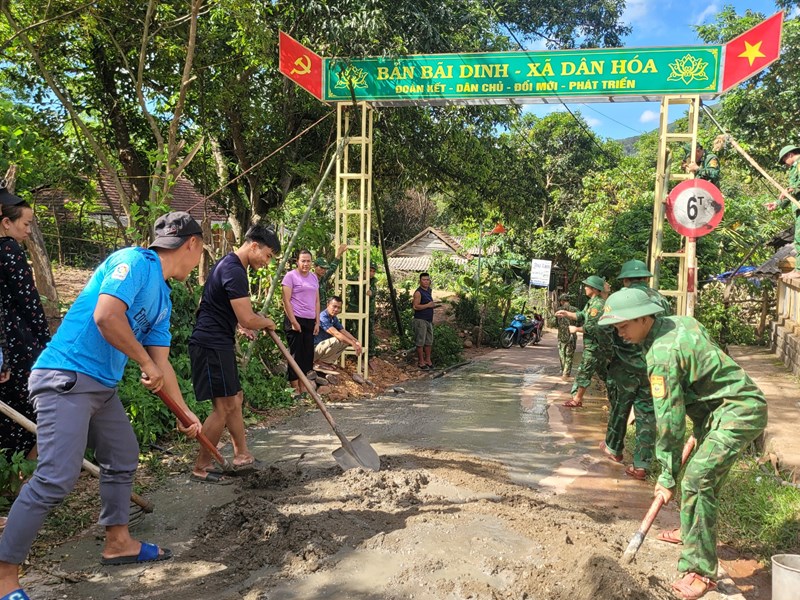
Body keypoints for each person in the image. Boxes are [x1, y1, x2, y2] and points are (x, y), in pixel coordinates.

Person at [0, 212, 204, 599]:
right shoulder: (134, 262)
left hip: (101, 387)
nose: (199, 261)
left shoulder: (162, 296)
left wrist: (185, 411)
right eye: (201, 251)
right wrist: (143, 362)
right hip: (67, 376)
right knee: (56, 477)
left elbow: (161, 364)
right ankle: (4, 575)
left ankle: (118, 541)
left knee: (124, 454)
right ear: (191, 244)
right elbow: (106, 316)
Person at [599, 288, 767, 600]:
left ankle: (700, 570)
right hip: (716, 410)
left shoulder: (661, 357)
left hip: (739, 410)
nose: (620, 334)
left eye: (624, 326)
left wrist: (666, 475)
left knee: (697, 478)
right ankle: (691, 532)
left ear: (645, 317)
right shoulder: (681, 322)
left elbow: (670, 423)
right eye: (616, 328)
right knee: (700, 480)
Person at [189, 223, 281, 484]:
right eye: (268, 255)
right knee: (224, 406)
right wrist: (264, 322)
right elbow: (250, 317)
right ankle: (201, 467)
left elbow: (220, 305)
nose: (267, 261)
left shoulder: (230, 265)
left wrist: (240, 325)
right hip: (211, 344)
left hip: (219, 340)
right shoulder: (234, 270)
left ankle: (242, 455)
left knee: (235, 398)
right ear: (254, 246)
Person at [602, 260, 671, 480]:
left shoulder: (620, 300)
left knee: (619, 408)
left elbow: (605, 331)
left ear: (625, 280)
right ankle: (641, 463)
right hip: (653, 363)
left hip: (624, 365)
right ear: (645, 278)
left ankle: (614, 449)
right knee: (647, 412)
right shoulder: (660, 300)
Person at [0, 188, 51, 464]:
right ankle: (27, 473)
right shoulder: (9, 250)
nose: (29, 231)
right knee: (37, 405)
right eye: (26, 224)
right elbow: (29, 302)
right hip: (19, 340)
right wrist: (47, 343)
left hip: (4, 345)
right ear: (6, 223)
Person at [554, 275, 612, 408]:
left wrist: (576, 329)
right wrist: (567, 314)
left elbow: (593, 327)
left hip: (595, 345)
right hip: (595, 345)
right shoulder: (591, 302)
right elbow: (581, 315)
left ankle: (577, 399)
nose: (585, 288)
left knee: (584, 371)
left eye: (587, 286)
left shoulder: (598, 305)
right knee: (605, 374)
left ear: (594, 289)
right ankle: (616, 396)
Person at [281, 249, 319, 394]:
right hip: (295, 319)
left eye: (308, 261)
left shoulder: (314, 278)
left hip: (310, 320)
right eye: (303, 261)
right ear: (297, 261)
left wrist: (317, 322)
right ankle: (294, 387)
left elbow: (316, 301)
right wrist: (293, 321)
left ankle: (304, 387)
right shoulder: (290, 277)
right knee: (296, 354)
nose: (306, 264)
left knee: (307, 354)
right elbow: (286, 301)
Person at [765, 144, 800, 280]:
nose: (785, 164)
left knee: (799, 239)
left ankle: (799, 270)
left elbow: (795, 189)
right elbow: (792, 195)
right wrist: (777, 204)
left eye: (784, 160)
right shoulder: (794, 168)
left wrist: (791, 190)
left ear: (790, 155)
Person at [314, 295, 362, 366]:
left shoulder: (333, 318)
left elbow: (343, 331)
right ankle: (321, 362)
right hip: (315, 349)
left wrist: (356, 341)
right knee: (338, 339)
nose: (336, 309)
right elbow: (336, 333)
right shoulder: (322, 317)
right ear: (328, 305)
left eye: (339, 308)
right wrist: (352, 343)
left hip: (322, 348)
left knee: (345, 340)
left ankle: (327, 362)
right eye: (334, 306)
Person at [412, 272, 438, 370]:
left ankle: (428, 360)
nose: (426, 281)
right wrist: (428, 305)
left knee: (428, 341)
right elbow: (415, 306)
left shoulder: (429, 290)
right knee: (420, 342)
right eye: (424, 280)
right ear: (420, 281)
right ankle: (421, 362)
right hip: (420, 320)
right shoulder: (418, 292)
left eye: (427, 280)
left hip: (428, 320)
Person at [314, 243, 347, 307]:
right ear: (315, 266)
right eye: (321, 267)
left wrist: (339, 254)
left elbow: (332, 268)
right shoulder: (309, 280)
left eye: (325, 268)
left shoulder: (323, 278)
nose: (323, 270)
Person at [556, 294, 577, 381]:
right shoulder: (575, 310)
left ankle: (564, 370)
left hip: (561, 336)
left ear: (561, 301)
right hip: (571, 336)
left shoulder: (558, 310)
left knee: (562, 354)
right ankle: (566, 373)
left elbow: (554, 322)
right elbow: (580, 321)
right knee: (569, 355)